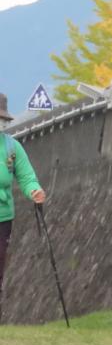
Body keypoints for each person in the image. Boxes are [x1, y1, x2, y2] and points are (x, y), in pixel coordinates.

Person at [0, 93, 46, 322]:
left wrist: (34, 190)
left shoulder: (12, 147)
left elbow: (26, 177)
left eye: (2, 120)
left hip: (3, 218)